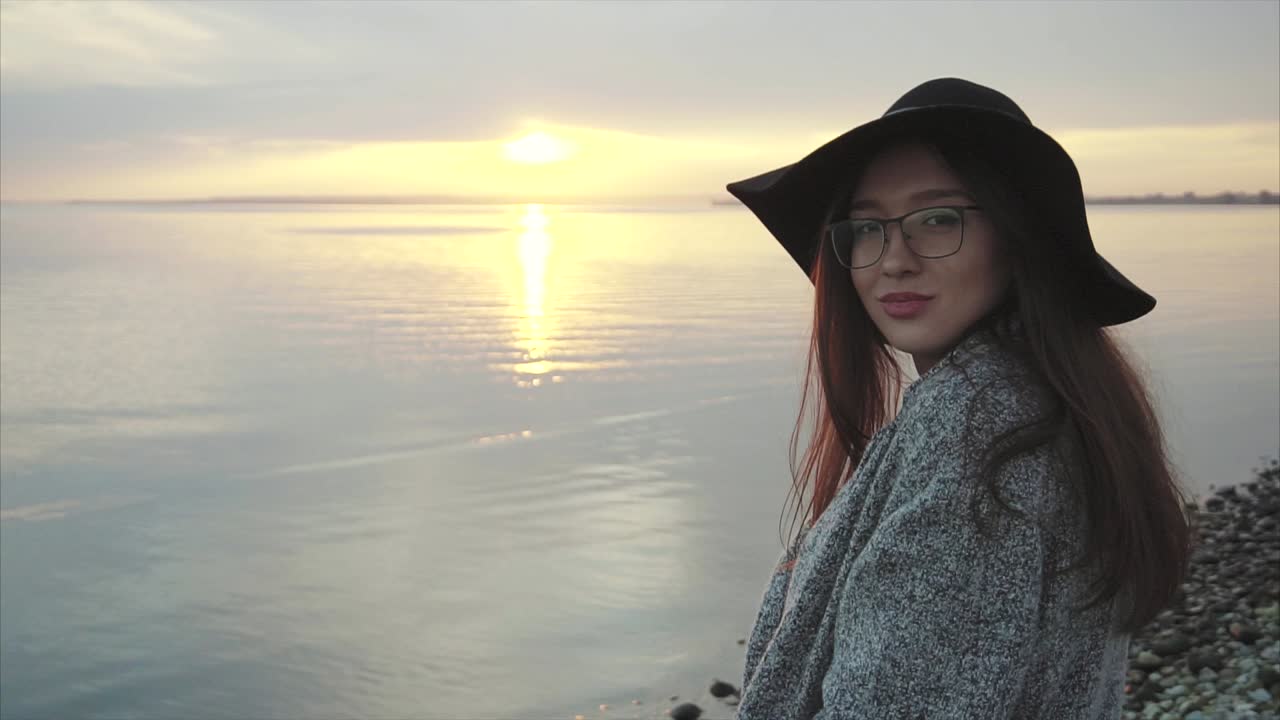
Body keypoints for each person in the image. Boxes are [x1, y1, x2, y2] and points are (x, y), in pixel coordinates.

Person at [724, 78, 1194, 719]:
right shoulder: (1055, 404)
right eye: (866, 228)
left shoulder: (982, 436)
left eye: (938, 218)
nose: (893, 259)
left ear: (1018, 236)